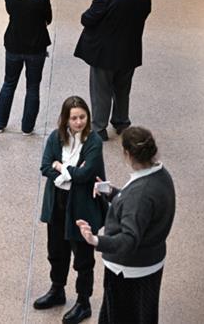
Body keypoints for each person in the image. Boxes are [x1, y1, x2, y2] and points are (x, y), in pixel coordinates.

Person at [77, 127, 176, 324]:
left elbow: (129, 238)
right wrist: (112, 192)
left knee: (118, 317)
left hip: (127, 269)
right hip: (151, 262)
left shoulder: (139, 195)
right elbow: (140, 207)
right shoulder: (161, 176)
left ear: (127, 154)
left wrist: (95, 240)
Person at [34, 96, 106, 324]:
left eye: (82, 117)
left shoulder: (94, 141)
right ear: (65, 119)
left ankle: (83, 302)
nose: (78, 122)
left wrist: (61, 167)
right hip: (57, 203)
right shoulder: (56, 137)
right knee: (56, 250)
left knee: (83, 257)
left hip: (81, 206)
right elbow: (45, 166)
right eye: (74, 118)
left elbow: (86, 175)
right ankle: (57, 290)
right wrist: (71, 171)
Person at [74, 0, 151, 141]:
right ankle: (121, 121)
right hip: (129, 52)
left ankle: (99, 128)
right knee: (123, 89)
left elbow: (87, 19)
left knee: (101, 91)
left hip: (105, 55)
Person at [0, 0, 52, 135]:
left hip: (13, 45)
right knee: (33, 87)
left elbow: (11, 13)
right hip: (36, 48)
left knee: (9, 83)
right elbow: (48, 19)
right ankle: (27, 127)